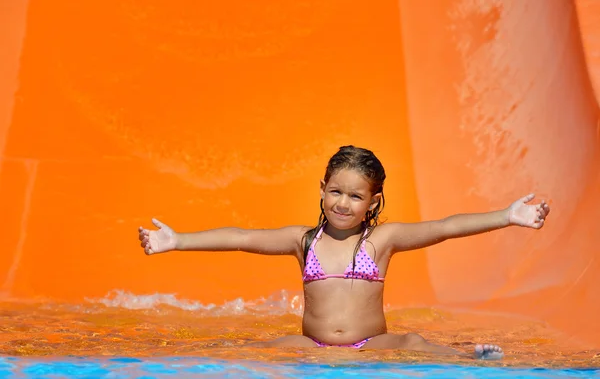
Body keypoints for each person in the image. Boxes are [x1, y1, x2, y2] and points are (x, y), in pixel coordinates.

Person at [138, 145, 550, 360]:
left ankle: (467, 357)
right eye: (335, 192)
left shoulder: (381, 241)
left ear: (373, 201)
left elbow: (444, 228)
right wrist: (179, 240)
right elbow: (241, 237)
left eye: (355, 196)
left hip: (369, 346)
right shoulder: (303, 241)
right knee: (249, 348)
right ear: (321, 189)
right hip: (312, 346)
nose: (342, 203)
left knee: (412, 340)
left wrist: (507, 215)